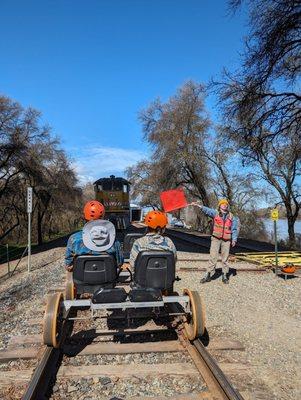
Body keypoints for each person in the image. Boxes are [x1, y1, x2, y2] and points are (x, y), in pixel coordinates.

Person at [190, 199, 239, 284]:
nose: (224, 205)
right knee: (213, 256)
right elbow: (207, 210)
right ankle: (208, 274)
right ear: (219, 206)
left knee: (225, 258)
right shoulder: (215, 213)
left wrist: (234, 239)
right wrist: (198, 205)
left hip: (226, 240)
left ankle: (224, 275)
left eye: (226, 204)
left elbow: (234, 229)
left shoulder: (231, 216)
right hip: (216, 238)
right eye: (222, 204)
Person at [65, 200, 123, 271]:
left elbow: (68, 265)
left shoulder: (74, 239)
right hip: (108, 280)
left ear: (85, 216)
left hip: (81, 280)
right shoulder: (114, 240)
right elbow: (119, 263)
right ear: (103, 216)